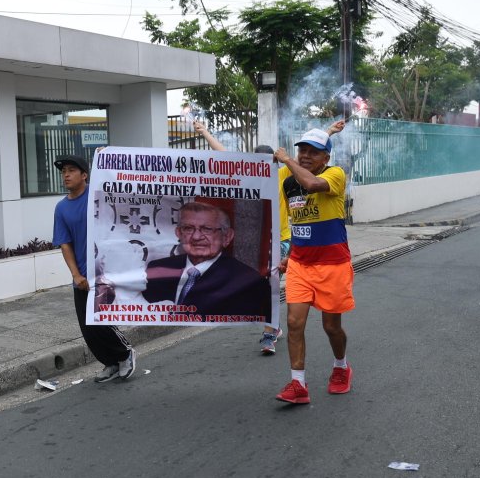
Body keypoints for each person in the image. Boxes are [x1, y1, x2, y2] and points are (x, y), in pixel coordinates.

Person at [272, 125, 353, 405]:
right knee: (294, 323)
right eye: (301, 150)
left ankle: (341, 366)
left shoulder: (335, 175)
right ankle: (298, 384)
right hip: (300, 264)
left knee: (331, 327)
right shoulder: (288, 181)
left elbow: (312, 184)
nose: (304, 156)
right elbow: (299, 224)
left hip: (333, 265)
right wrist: (290, 254)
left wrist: (286, 160)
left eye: (312, 152)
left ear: (325, 159)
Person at [192, 120, 284, 354]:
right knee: (256, 283)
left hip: (281, 239)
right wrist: (205, 133)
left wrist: (329, 133)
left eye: (268, 163)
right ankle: (272, 324)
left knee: (271, 283)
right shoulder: (247, 174)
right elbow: (223, 154)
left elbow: (307, 162)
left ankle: (268, 334)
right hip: (257, 240)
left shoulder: (283, 176)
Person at [52, 154, 136, 383]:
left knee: (102, 319)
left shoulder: (98, 195)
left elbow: (120, 189)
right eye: (63, 171)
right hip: (82, 277)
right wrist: (76, 274)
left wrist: (106, 158)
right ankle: (110, 362)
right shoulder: (61, 208)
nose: (66, 175)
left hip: (105, 270)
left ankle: (125, 353)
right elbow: (64, 244)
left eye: (71, 170)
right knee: (87, 327)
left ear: (85, 175)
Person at [140, 202, 271, 321]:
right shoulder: (157, 268)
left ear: (227, 236)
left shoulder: (249, 282)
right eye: (188, 228)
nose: (196, 237)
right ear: (179, 233)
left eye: (207, 229)